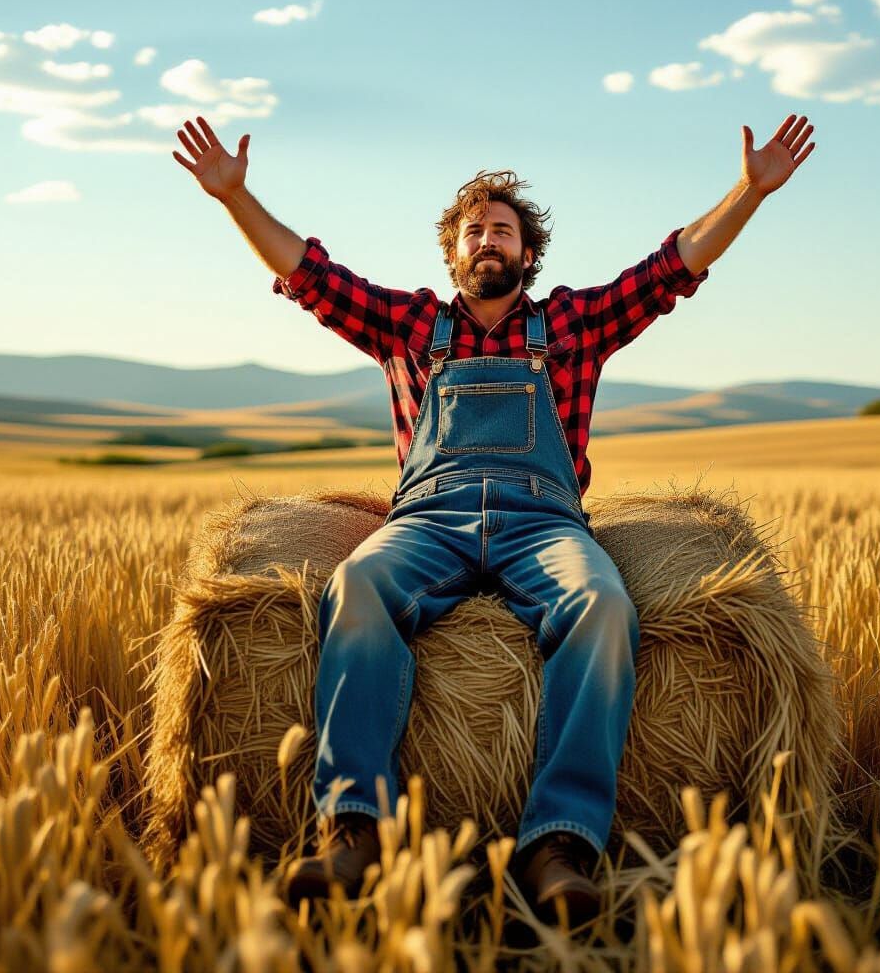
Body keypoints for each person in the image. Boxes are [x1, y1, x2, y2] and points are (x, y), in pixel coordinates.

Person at [173, 115, 816, 925]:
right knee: (357, 587)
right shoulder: (410, 326)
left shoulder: (573, 325)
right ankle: (354, 827)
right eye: (473, 231)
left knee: (603, 605)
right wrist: (234, 198)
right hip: (427, 522)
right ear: (453, 253)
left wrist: (750, 191)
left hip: (544, 526)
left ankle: (560, 842)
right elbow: (309, 273)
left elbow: (671, 268)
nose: (487, 240)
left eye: (503, 231)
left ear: (527, 253)